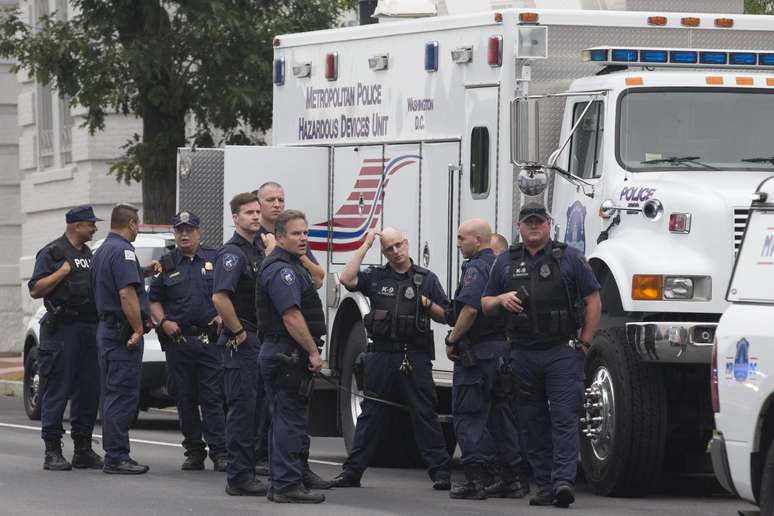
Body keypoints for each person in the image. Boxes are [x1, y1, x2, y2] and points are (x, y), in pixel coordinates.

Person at [482, 202, 602, 508]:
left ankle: (563, 482)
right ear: (519, 227)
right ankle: (545, 484)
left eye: (539, 221)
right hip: (522, 352)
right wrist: (501, 299)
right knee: (531, 421)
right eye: (528, 222)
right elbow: (484, 303)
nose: (533, 226)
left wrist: (585, 343)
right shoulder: (505, 263)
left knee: (563, 418)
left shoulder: (570, 258)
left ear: (548, 225)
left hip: (561, 350)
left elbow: (592, 299)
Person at [329, 227, 452, 490]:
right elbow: (347, 278)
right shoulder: (375, 277)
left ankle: (441, 473)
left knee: (424, 414)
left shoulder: (425, 278)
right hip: (382, 356)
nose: (396, 252)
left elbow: (446, 315)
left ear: (406, 244)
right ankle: (351, 473)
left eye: (399, 245)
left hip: (414, 356)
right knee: (370, 415)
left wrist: (428, 305)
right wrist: (366, 244)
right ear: (383, 252)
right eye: (389, 248)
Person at [254, 181, 329, 490]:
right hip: (286, 353)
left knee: (287, 420)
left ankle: (286, 480)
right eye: (296, 234)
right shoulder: (281, 269)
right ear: (279, 238)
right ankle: (286, 485)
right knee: (288, 421)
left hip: (285, 353)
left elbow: (319, 277)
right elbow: (291, 315)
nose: (303, 238)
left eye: (305, 233)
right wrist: (313, 352)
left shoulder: (294, 264)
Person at [446, 219, 527, 500]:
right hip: (502, 353)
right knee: (500, 416)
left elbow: (469, 309)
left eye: (461, 238)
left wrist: (452, 339)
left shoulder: (477, 267)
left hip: (478, 354)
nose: (458, 244)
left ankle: (474, 480)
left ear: (477, 240)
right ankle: (512, 478)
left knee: (468, 416)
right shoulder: (504, 266)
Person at [149, 211, 227, 472]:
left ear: (198, 232)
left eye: (189, 229)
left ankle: (220, 452)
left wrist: (222, 315)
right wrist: (163, 322)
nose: (184, 234)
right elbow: (153, 299)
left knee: (213, 398)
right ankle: (194, 452)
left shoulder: (215, 259)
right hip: (179, 341)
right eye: (179, 230)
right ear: (174, 233)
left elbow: (230, 292)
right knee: (185, 397)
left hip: (209, 340)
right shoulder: (166, 263)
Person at [28, 205, 104, 471]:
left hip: (89, 328)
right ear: (76, 226)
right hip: (62, 329)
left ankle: (82, 449)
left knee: (88, 391)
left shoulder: (89, 255)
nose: (95, 228)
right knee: (57, 390)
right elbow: (35, 289)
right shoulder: (53, 252)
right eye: (90, 224)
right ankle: (52, 451)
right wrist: (60, 273)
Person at [90, 203, 159, 474]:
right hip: (122, 335)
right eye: (137, 224)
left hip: (107, 332)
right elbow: (126, 294)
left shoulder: (103, 250)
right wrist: (138, 329)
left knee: (111, 394)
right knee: (122, 395)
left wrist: (144, 272)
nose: (138, 228)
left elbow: (111, 281)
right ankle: (117, 456)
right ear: (131, 223)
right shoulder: (124, 251)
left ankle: (113, 452)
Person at [212, 192, 270, 496]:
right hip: (243, 342)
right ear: (235, 218)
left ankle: (247, 471)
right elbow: (220, 296)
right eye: (249, 213)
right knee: (242, 411)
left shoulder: (258, 250)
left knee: (257, 411)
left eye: (257, 212)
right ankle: (238, 477)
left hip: (258, 340)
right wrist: (238, 333)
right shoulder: (232, 253)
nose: (256, 217)